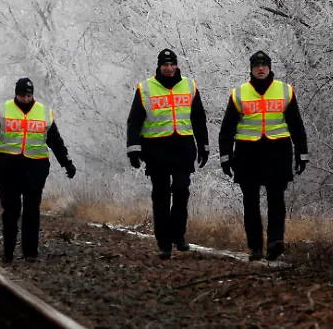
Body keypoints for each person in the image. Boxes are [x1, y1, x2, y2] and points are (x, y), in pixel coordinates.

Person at [0, 77, 76, 264]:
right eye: (21, 95)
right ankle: (8, 252)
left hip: (35, 170)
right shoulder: (3, 111)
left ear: (32, 94)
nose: (25, 99)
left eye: (28, 95)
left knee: (31, 211)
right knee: (11, 211)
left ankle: (30, 253)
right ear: (16, 94)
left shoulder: (44, 113)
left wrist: (66, 163)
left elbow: (56, 142)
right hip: (7, 170)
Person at [218, 51, 308, 262]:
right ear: (251, 69)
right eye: (256, 66)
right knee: (250, 202)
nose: (260, 69)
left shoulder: (285, 91)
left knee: (276, 199)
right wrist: (225, 156)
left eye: (264, 65)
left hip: (278, 152)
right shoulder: (239, 93)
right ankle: (255, 246)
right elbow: (227, 128)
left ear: (269, 67)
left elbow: (296, 125)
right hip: (247, 154)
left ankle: (275, 242)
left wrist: (302, 153)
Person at [126, 49, 209, 260]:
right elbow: (134, 120)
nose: (169, 68)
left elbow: (198, 118)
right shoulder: (145, 88)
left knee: (182, 190)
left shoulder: (190, 86)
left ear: (177, 65)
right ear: (159, 66)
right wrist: (133, 148)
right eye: (165, 65)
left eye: (172, 64)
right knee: (161, 195)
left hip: (183, 146)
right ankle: (163, 242)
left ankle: (178, 234)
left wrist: (204, 145)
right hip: (156, 149)